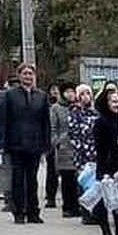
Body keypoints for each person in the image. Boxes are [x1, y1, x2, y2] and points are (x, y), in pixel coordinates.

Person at [0, 63, 51, 225]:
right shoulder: (9, 95)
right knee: (18, 180)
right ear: (19, 76)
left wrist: (45, 143)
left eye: (30, 74)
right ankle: (19, 211)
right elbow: (2, 120)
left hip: (35, 144)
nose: (28, 77)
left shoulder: (41, 96)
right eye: (25, 74)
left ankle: (33, 211)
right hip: (16, 143)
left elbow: (45, 122)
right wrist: (4, 142)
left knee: (32, 180)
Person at [92, 85, 118, 235]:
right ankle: (106, 233)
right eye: (113, 101)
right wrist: (104, 171)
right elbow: (100, 149)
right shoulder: (100, 122)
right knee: (104, 201)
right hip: (106, 166)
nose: (117, 104)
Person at [68, 84, 98, 225]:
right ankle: (85, 213)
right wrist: (81, 152)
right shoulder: (74, 112)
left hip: (96, 153)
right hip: (82, 154)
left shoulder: (95, 112)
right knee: (85, 182)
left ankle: (96, 211)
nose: (86, 96)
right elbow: (74, 135)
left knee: (95, 183)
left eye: (88, 93)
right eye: (83, 93)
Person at [49, 81, 80, 217]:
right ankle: (67, 207)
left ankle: (77, 206)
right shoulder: (56, 108)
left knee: (78, 179)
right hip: (64, 148)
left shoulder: (78, 107)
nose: (70, 94)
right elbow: (53, 128)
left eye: (72, 91)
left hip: (79, 147)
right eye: (67, 91)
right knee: (67, 179)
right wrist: (58, 142)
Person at [44, 82, 60, 210]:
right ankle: (50, 197)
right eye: (53, 89)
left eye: (57, 89)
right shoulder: (47, 104)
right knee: (52, 172)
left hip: (64, 143)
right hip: (51, 142)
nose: (55, 91)